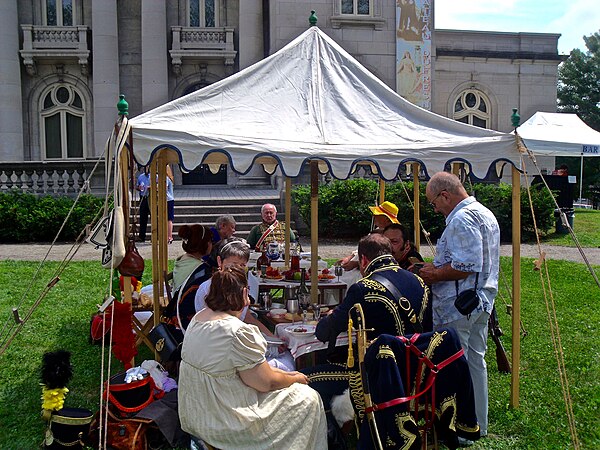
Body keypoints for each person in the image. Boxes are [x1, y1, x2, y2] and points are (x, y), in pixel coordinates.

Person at [178, 266, 328, 449]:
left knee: (293, 386)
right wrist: (296, 378)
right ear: (244, 293)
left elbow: (254, 369)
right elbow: (265, 383)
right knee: (308, 398)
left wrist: (291, 376)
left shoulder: (199, 319)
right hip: (224, 418)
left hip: (197, 412)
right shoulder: (236, 331)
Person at [418, 171, 500, 439]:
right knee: (475, 362)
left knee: (457, 365)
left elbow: (467, 265)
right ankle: (478, 424)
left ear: (445, 195)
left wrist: (435, 274)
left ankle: (462, 428)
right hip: (479, 301)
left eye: (434, 202)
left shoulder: (462, 219)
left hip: (459, 305)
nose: (435, 208)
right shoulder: (484, 213)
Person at [195, 237, 295, 371]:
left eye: (242, 265)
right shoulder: (208, 289)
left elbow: (247, 317)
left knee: (285, 356)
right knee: (285, 366)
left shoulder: (238, 288)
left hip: (233, 349)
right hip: (218, 354)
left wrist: (274, 339)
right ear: (220, 261)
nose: (236, 269)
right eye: (232, 264)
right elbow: (221, 335)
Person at [316, 233, 430, 345]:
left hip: (381, 361)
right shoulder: (419, 281)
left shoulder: (362, 288)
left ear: (364, 261)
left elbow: (324, 332)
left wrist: (330, 315)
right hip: (416, 359)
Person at [165, 224, 213, 339]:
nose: (212, 244)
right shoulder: (201, 270)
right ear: (204, 244)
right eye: (210, 241)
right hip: (188, 319)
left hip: (177, 313)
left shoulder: (182, 260)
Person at [337, 200, 400, 271]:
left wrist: (356, 264)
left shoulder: (392, 235)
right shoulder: (378, 230)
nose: (374, 216)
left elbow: (382, 259)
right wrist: (349, 258)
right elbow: (363, 249)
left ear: (386, 218)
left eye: (377, 214)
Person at [136, 166, 150, 243]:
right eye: (145, 168)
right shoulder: (141, 177)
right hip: (143, 198)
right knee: (143, 218)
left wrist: (150, 187)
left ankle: (156, 236)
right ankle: (142, 236)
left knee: (154, 217)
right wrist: (139, 187)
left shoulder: (155, 176)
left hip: (151, 198)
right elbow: (137, 186)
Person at [166, 165, 175, 244]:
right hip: (168, 199)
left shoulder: (166, 178)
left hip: (168, 200)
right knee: (168, 219)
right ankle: (168, 236)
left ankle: (169, 236)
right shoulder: (169, 178)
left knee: (169, 219)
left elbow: (163, 188)